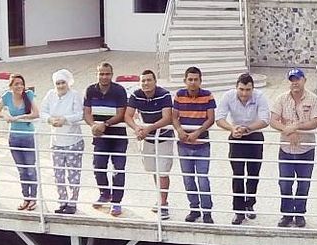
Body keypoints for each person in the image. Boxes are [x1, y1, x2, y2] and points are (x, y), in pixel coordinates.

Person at [270, 66, 317, 227]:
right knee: (285, 182)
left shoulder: (312, 99)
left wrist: (295, 127)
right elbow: (273, 120)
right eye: (292, 80)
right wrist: (288, 130)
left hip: (306, 148)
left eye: (298, 79)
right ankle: (286, 213)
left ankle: (299, 213)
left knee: (303, 182)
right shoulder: (281, 99)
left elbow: (314, 122)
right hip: (286, 148)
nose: (295, 83)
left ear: (304, 80)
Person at [217, 72, 269, 224]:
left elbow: (265, 120)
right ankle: (238, 210)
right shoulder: (228, 96)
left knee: (253, 173)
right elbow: (219, 118)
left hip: (254, 134)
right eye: (241, 89)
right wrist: (232, 129)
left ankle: (250, 204)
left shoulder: (260, 96)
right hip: (236, 135)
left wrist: (247, 129)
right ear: (236, 88)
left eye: (248, 90)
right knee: (238, 174)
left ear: (253, 89)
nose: (244, 93)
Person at [171, 65, 218, 222]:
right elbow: (174, 117)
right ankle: (194, 209)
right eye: (190, 79)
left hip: (202, 145)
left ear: (200, 81)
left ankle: (207, 212)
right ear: (185, 81)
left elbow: (210, 119)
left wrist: (197, 132)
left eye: (195, 79)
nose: (192, 82)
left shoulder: (208, 96)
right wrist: (179, 130)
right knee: (188, 179)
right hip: (184, 145)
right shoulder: (179, 95)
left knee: (203, 179)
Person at [84, 60, 131, 217]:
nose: (104, 77)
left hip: (118, 137)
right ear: (97, 74)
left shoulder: (119, 90)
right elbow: (87, 113)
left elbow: (121, 114)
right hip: (100, 136)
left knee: (118, 169)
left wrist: (105, 124)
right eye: (101, 74)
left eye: (107, 74)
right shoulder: (90, 90)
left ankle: (116, 202)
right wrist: (93, 126)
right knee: (98, 166)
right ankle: (105, 193)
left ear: (112, 74)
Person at [127, 68, 175, 218]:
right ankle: (160, 198)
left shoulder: (164, 94)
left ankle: (163, 204)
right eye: (143, 80)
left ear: (155, 81)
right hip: (147, 138)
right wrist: (137, 128)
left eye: (149, 80)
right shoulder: (136, 94)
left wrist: (149, 128)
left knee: (162, 171)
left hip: (164, 137)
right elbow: (128, 115)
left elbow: (167, 118)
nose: (146, 83)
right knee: (154, 170)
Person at [41, 68, 85, 215]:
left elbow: (80, 114)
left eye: (63, 83)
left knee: (73, 174)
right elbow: (43, 111)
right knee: (58, 174)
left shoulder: (74, 95)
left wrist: (65, 120)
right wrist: (50, 119)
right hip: (56, 141)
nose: (60, 86)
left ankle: (73, 202)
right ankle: (62, 201)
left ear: (68, 83)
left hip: (73, 140)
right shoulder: (50, 94)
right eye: (58, 83)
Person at [0, 72, 38, 212]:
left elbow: (36, 114)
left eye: (21, 84)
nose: (19, 86)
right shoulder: (7, 96)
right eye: (16, 84)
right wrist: (5, 115)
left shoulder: (28, 95)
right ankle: (25, 198)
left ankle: (33, 198)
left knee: (30, 169)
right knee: (21, 170)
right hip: (14, 138)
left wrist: (18, 117)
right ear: (11, 86)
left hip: (27, 136)